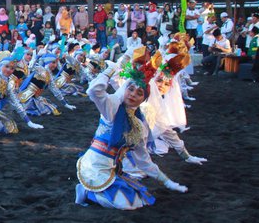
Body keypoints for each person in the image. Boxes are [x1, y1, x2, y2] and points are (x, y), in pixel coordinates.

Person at [75, 49, 188, 210]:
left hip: (114, 169)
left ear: (144, 99)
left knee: (138, 202)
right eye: (131, 89)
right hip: (94, 166)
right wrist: (111, 69)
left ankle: (97, 192)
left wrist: (168, 182)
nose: (133, 94)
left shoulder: (139, 126)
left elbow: (144, 161)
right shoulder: (112, 108)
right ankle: (87, 193)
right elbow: (93, 91)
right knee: (125, 205)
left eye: (139, 93)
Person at [141, 44, 207, 165]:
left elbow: (167, 131)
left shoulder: (158, 105)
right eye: (159, 81)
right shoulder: (138, 93)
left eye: (167, 84)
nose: (162, 86)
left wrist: (187, 156)